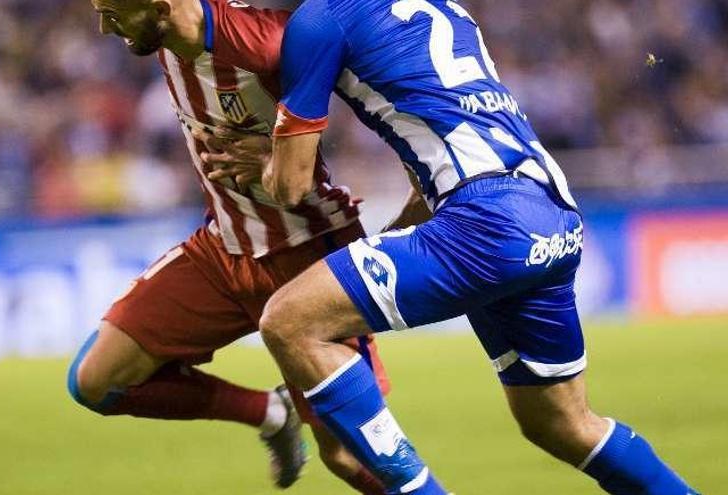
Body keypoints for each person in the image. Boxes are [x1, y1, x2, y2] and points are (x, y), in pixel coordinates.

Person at [257, 0, 703, 494]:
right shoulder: (446, 9)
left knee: (292, 322)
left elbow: (292, 186)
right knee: (561, 424)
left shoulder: (320, 19)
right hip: (549, 211)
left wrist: (260, 169)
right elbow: (437, 145)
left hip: (485, 222)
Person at [67, 0, 393, 492]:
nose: (103, 27)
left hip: (309, 254)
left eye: (113, 14)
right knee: (96, 381)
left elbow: (361, 82)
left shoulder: (265, 44)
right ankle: (270, 412)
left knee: (347, 456)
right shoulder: (165, 39)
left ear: (158, 9)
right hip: (223, 248)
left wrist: (287, 152)